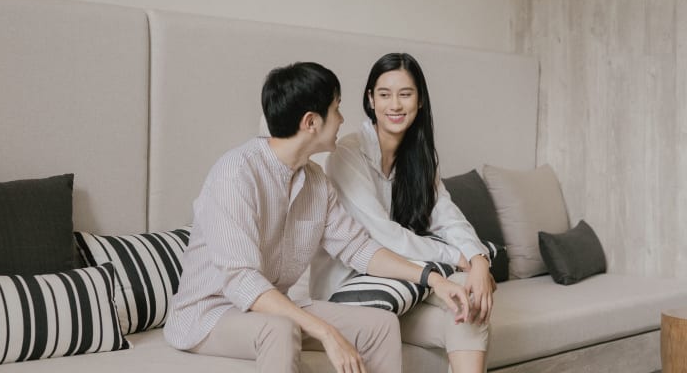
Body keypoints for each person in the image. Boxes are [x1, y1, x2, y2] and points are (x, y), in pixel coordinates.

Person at [163, 61, 473, 373]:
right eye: (336, 109)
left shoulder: (315, 181)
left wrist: (432, 278)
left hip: (274, 306)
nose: (342, 119)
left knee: (380, 325)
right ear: (311, 122)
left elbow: (359, 248)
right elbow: (242, 280)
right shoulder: (236, 174)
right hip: (210, 313)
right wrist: (326, 332)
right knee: (280, 329)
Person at [311, 53, 496, 372]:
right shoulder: (347, 154)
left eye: (405, 94)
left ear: (420, 100)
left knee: (468, 307)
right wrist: (457, 257)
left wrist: (478, 260)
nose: (395, 105)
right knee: (463, 291)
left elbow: (447, 216)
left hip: (403, 284)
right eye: (384, 95)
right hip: (352, 287)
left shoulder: (419, 158)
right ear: (371, 100)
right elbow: (382, 235)